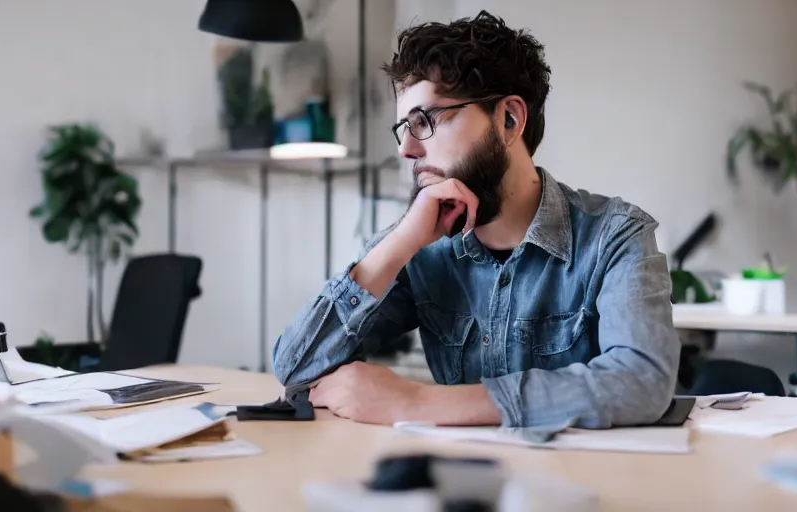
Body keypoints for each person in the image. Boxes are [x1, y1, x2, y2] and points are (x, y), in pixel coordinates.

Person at [272, 10, 680, 429]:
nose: (406, 149)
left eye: (425, 121)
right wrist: (397, 245)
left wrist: (417, 403)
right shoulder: (420, 248)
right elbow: (297, 371)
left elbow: (643, 381)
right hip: (456, 485)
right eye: (403, 128)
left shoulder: (614, 236)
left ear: (509, 120)